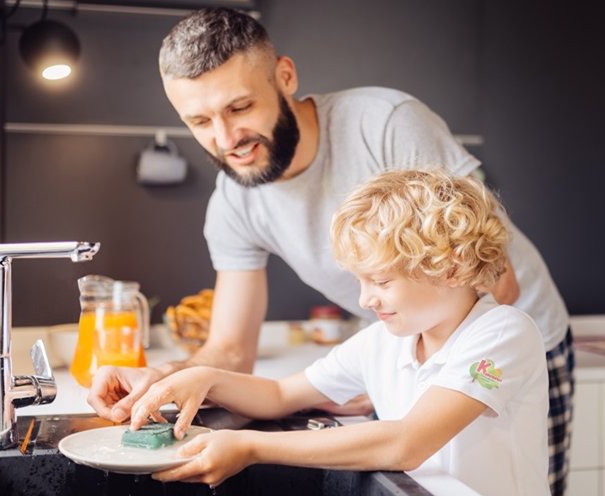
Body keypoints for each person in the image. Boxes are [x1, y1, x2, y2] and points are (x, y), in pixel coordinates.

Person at [87, 7, 574, 494]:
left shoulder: (384, 124)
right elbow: (234, 352)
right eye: (198, 120)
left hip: (506, 327)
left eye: (239, 108)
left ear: (285, 77)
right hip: (414, 332)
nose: (225, 139)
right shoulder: (237, 202)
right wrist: (166, 379)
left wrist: (408, 387)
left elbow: (496, 285)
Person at [128, 169, 549, 495]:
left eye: (381, 282)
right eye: (360, 282)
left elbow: (406, 443)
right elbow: (279, 397)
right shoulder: (383, 340)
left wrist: (251, 448)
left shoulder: (502, 332)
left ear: (452, 268)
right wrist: (206, 379)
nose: (366, 300)